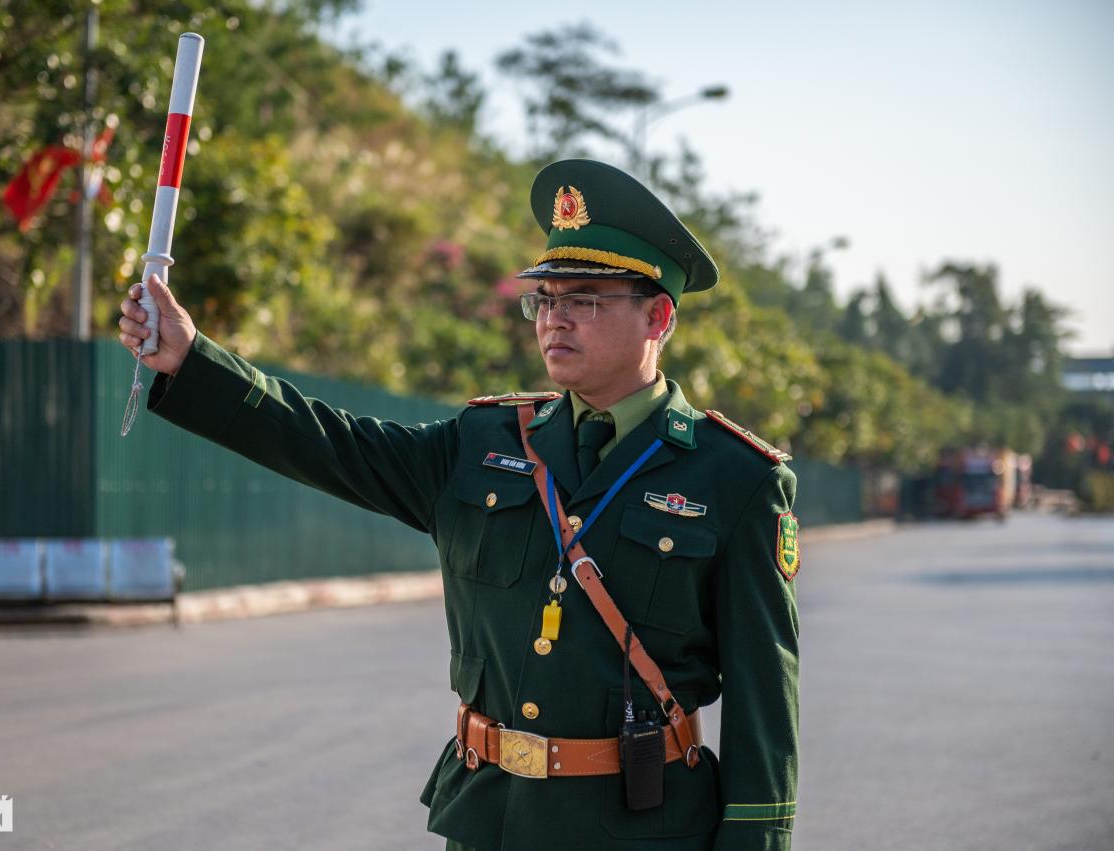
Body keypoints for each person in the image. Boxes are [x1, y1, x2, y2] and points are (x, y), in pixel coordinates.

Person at [118, 159, 800, 851]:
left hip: (643, 830)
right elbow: (333, 443)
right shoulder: (483, 442)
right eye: (546, 299)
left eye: (585, 299)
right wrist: (192, 359)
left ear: (659, 315)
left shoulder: (734, 478)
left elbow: (763, 701)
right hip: (491, 820)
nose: (555, 319)